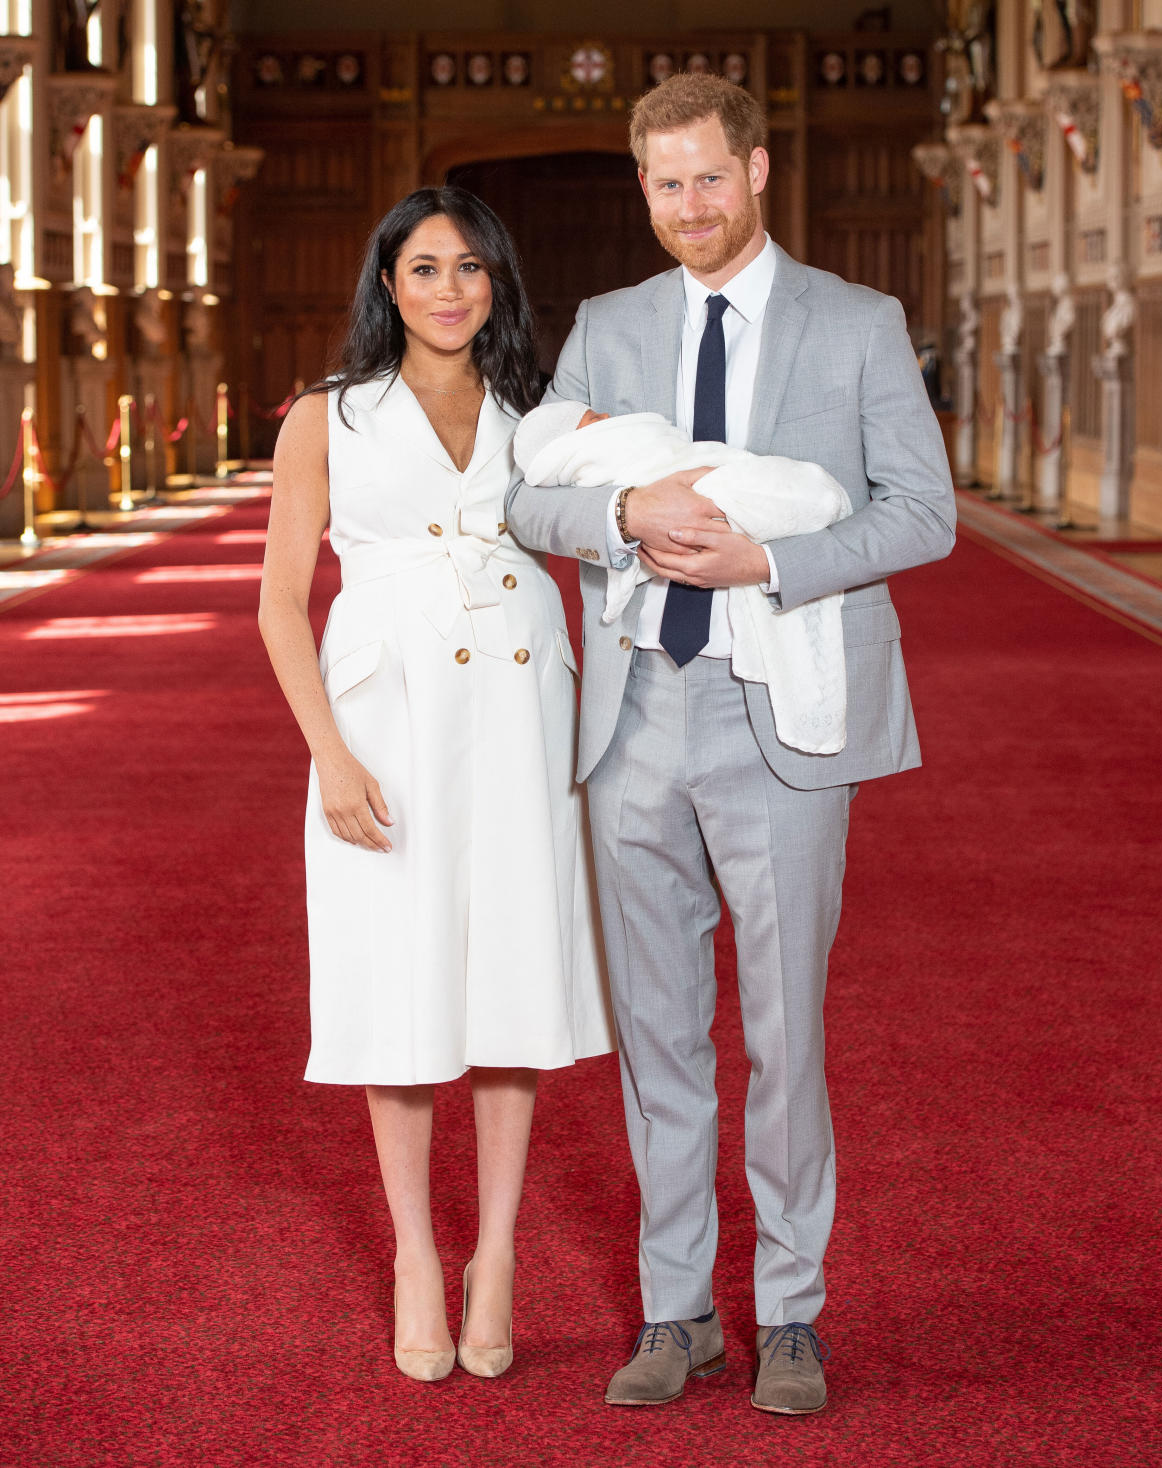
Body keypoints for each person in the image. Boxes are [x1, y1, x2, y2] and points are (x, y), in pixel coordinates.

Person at [505, 73, 956, 1416]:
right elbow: (533, 496)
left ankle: (793, 1313)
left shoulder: (855, 323)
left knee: (781, 1033)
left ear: (756, 172)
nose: (687, 206)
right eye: (663, 184)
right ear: (642, 191)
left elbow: (921, 515)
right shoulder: (607, 324)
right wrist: (620, 510)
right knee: (656, 1038)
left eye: (708, 177)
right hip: (635, 711)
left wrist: (767, 553)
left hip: (781, 713)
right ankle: (675, 1308)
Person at [258, 187, 614, 1386]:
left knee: (512, 976)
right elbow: (278, 602)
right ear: (388, 284)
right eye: (425, 267)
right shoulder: (327, 416)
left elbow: (614, 513)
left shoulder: (542, 415)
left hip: (521, 712)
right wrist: (330, 754)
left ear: (499, 285)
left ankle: (497, 1254)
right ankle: (417, 1249)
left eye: (471, 268)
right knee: (401, 983)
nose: (450, 289)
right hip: (388, 720)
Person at [514, 400, 853, 754]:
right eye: (597, 420)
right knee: (771, 496)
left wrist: (765, 563)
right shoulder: (587, 366)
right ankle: (811, 498)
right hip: (635, 685)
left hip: (750, 660)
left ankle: (811, 497)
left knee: (772, 490)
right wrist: (628, 513)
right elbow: (523, 505)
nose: (610, 420)